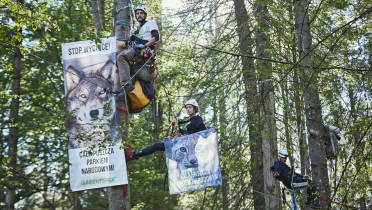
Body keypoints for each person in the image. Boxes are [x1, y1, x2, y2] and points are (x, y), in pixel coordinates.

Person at [125, 99, 207, 161]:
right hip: (182, 144)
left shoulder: (197, 118)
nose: (188, 109)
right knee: (158, 145)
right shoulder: (188, 121)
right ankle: (136, 154)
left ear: (195, 109)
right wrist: (171, 138)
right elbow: (185, 133)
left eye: (190, 107)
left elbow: (203, 130)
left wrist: (212, 130)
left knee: (157, 145)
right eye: (186, 107)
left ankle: (135, 154)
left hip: (188, 146)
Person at [116, 5, 160, 96]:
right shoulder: (137, 31)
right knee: (116, 57)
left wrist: (144, 45)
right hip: (137, 51)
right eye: (137, 13)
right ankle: (129, 83)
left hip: (144, 51)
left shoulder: (150, 23)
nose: (139, 15)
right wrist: (111, 42)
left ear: (145, 15)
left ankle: (127, 86)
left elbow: (156, 37)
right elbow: (125, 44)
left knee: (121, 56)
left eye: (141, 13)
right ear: (135, 16)